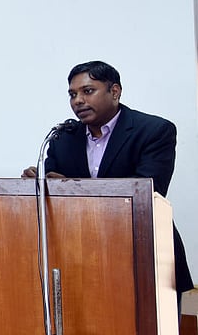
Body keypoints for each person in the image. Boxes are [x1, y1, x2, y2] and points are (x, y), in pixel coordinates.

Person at [22, 60, 193, 295]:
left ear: (115, 91)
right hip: (81, 257)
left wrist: (75, 187)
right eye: (72, 94)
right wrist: (38, 182)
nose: (78, 101)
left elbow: (147, 190)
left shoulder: (154, 130)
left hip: (142, 252)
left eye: (87, 91)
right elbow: (53, 195)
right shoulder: (63, 138)